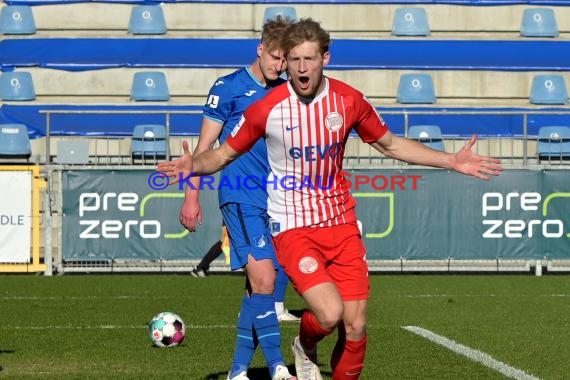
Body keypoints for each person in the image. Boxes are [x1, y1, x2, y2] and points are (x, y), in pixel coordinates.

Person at [158, 18, 503, 380]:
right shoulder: (266, 108)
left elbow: (392, 144)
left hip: (340, 223)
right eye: (294, 60)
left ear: (326, 58)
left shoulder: (349, 101)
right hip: (293, 226)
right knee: (329, 314)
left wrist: (451, 160)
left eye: (310, 59)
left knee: (355, 327)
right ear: (285, 62)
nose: (301, 68)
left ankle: (299, 356)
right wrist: (193, 164)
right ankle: (302, 345)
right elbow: (223, 154)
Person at [178, 17, 298, 380]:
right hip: (240, 193)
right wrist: (191, 197)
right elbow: (203, 148)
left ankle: (237, 372)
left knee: (258, 287)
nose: (280, 66)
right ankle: (278, 367)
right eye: (275, 57)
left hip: (276, 197)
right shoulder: (228, 88)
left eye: (285, 60)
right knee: (264, 281)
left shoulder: (286, 90)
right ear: (260, 50)